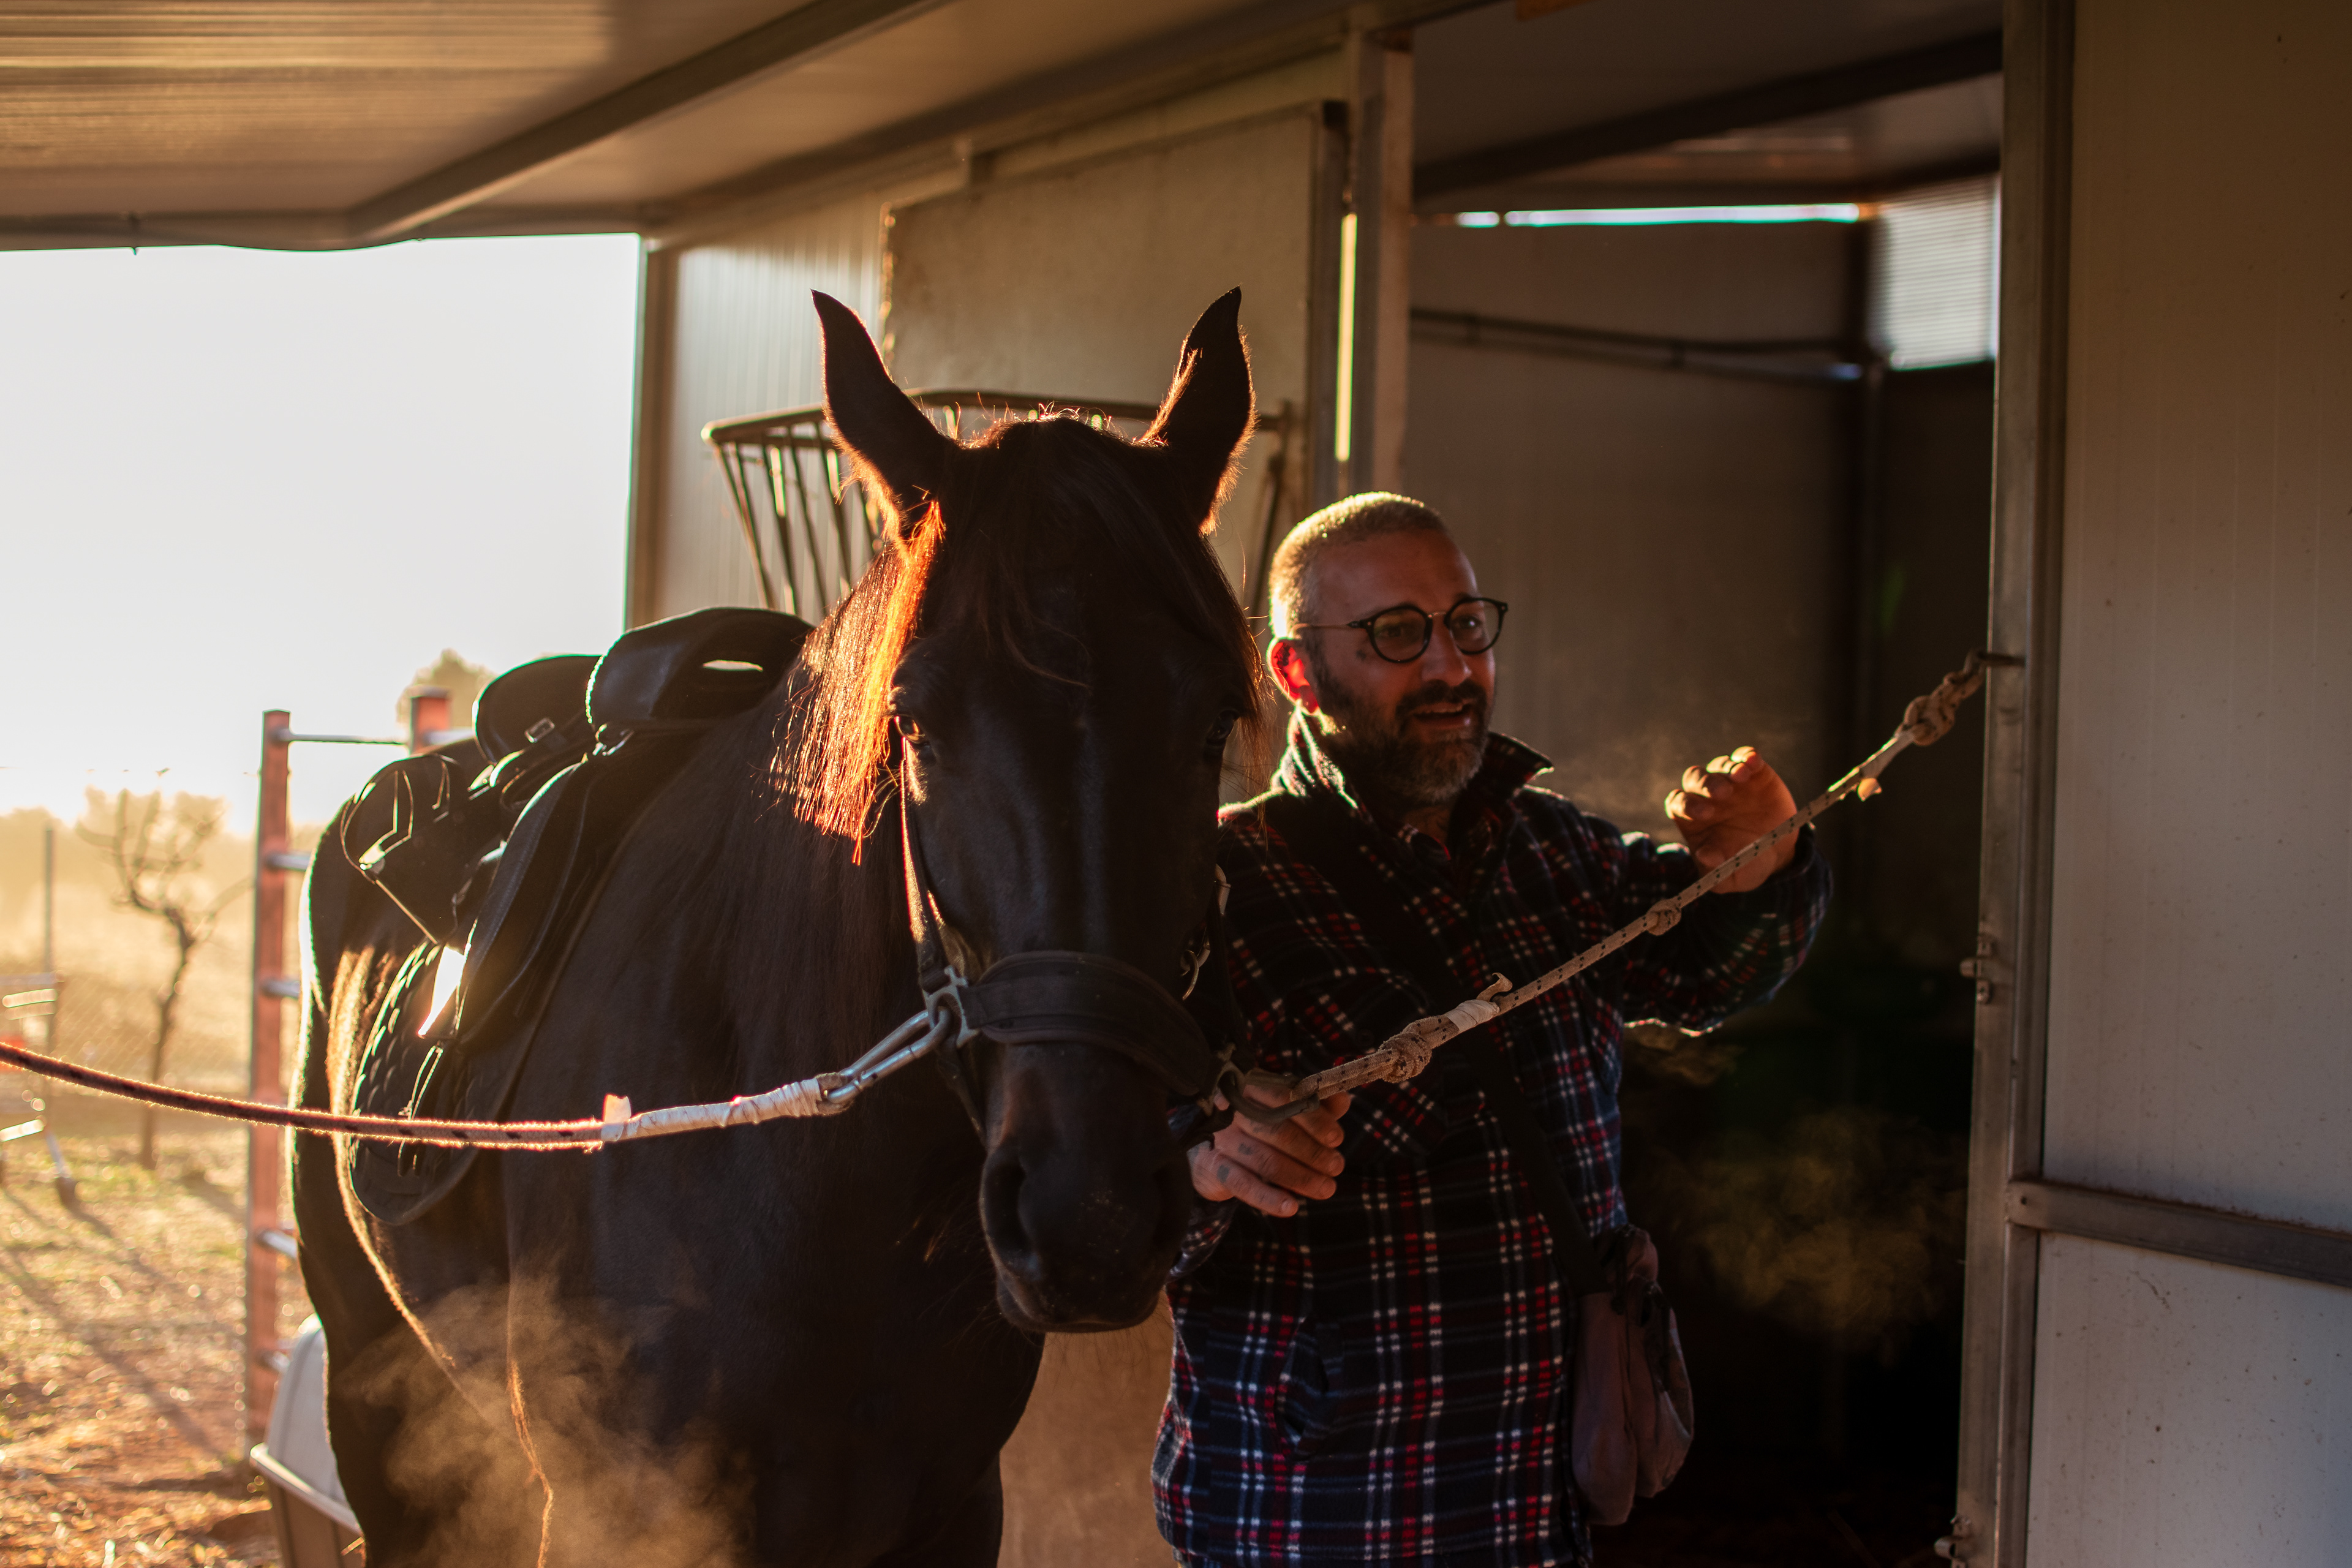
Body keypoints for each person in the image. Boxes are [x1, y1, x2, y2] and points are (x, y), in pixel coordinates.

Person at [1155, 493, 1833, 1567]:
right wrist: (1200, 1161)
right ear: (1294, 673)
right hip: (1318, 1513)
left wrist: (1764, 868)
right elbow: (1100, 1187)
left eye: (1466, 624)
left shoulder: (1553, 852)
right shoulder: (1213, 887)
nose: (1450, 668)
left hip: (1534, 1502)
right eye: (1397, 634)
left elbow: (1707, 974)